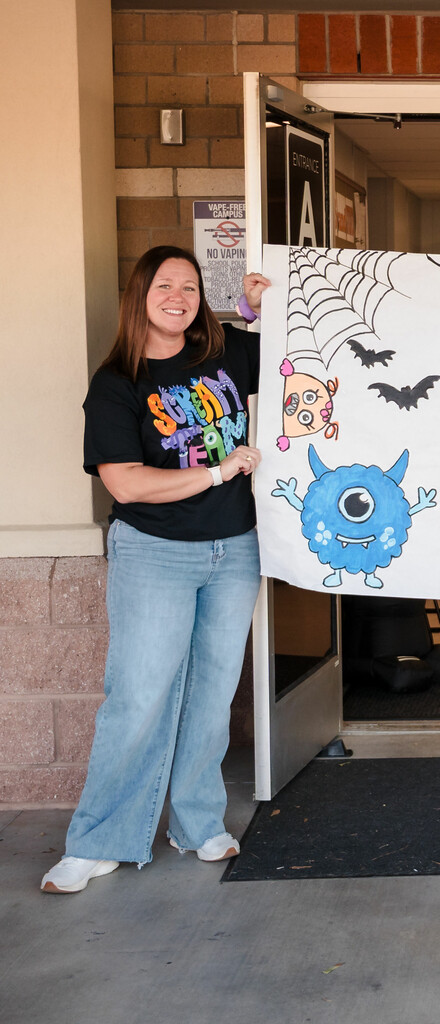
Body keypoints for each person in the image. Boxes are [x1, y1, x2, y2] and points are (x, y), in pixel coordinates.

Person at [41, 247, 271, 894]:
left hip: (235, 550)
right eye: (165, 285)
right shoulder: (117, 382)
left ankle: (197, 824)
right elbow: (127, 482)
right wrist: (219, 472)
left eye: (190, 287)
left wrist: (255, 307)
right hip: (155, 552)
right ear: (139, 296)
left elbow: (296, 353)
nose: (178, 296)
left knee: (213, 696)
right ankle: (97, 841)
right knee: (139, 696)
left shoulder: (224, 353)